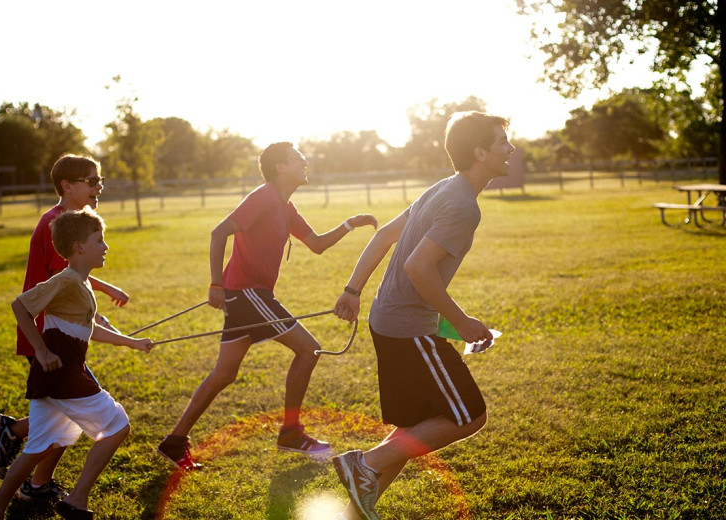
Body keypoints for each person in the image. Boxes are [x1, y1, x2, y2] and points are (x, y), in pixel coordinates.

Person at [331, 111, 515, 520]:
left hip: (388, 320)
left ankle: (353, 512)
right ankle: (363, 463)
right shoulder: (463, 204)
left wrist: (352, 290)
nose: (511, 149)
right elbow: (418, 268)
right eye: (503, 142)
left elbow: (383, 235)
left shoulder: (444, 188)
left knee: (414, 427)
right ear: (480, 152)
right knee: (469, 415)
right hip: (406, 328)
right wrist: (463, 322)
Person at [156, 142, 377, 470]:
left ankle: (174, 442)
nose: (304, 162)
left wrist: (349, 224)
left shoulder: (286, 206)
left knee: (225, 373)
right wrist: (216, 284)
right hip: (248, 295)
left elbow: (315, 244)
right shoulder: (264, 196)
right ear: (279, 168)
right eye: (296, 158)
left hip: (248, 296)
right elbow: (219, 233)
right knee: (309, 350)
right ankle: (290, 433)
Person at [0, 208, 153, 520]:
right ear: (79, 247)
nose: (106, 246)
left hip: (57, 375)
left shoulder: (82, 283)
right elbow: (20, 306)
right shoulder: (68, 279)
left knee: (38, 446)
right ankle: (76, 500)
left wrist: (133, 342)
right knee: (117, 425)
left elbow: (89, 331)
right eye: (100, 240)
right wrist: (42, 350)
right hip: (62, 374)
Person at [0, 154, 130, 502]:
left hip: (61, 333)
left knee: (60, 416)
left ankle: (32, 477)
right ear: (67, 186)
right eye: (91, 180)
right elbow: (65, 279)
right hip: (48, 338)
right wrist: (91, 315)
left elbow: (75, 278)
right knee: (79, 411)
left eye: (100, 180)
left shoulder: (73, 222)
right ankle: (20, 450)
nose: (99, 187)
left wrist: (103, 295)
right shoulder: (58, 224)